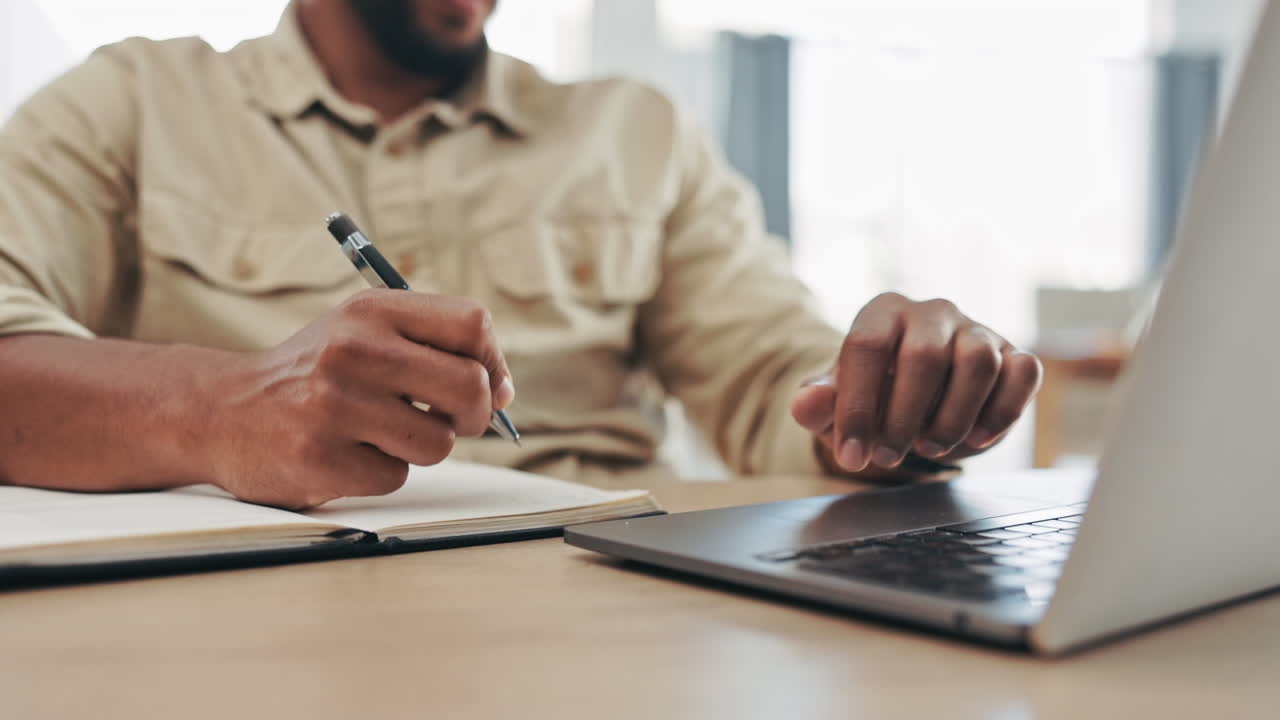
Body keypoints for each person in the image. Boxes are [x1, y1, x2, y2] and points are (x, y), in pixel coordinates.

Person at [0, 0, 1042, 509]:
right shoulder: (134, 103)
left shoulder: (635, 132)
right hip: (261, 607)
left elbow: (771, 379)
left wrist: (886, 405)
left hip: (609, 609)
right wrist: (219, 410)